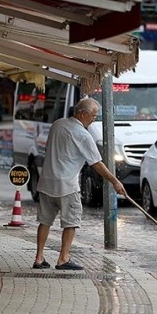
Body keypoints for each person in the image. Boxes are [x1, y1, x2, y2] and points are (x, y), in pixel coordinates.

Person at [33, 98, 126, 271]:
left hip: (46, 182)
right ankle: (63, 258)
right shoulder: (83, 135)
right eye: (93, 115)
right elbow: (97, 163)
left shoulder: (57, 124)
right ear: (83, 113)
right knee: (70, 222)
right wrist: (115, 181)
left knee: (45, 221)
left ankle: (39, 258)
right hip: (67, 185)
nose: (94, 119)